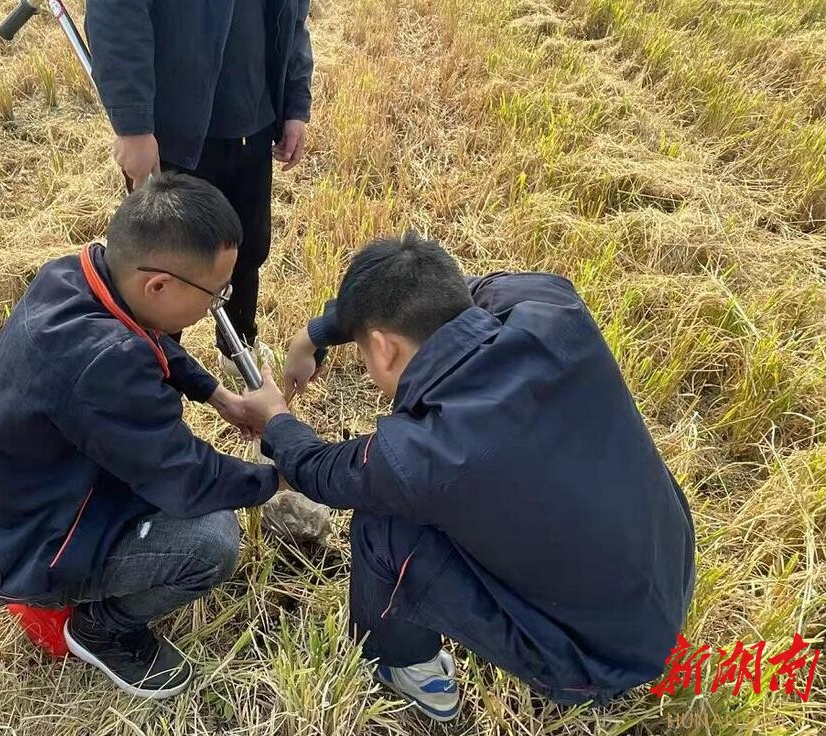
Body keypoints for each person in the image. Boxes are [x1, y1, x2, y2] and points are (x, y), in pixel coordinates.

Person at [242, 233, 696, 721]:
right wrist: (315, 335)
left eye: (362, 349)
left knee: (383, 525)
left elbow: (322, 472)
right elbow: (450, 294)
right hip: (670, 570)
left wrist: (276, 422)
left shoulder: (423, 454)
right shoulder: (550, 303)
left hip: (590, 659)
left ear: (383, 348)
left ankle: (405, 668)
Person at [0, 173, 280, 700]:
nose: (217, 304)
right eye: (215, 293)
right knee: (210, 541)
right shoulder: (106, 364)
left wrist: (217, 395)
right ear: (159, 285)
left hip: (29, 500)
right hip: (37, 545)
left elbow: (148, 337)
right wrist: (281, 474)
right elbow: (187, 480)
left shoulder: (75, 276)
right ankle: (101, 628)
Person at [85, 0, 314, 371]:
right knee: (166, 263)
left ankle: (238, 344)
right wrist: (133, 126)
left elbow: (291, 0)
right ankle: (152, 365)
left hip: (253, 115)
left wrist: (294, 102)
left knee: (246, 248)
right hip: (176, 129)